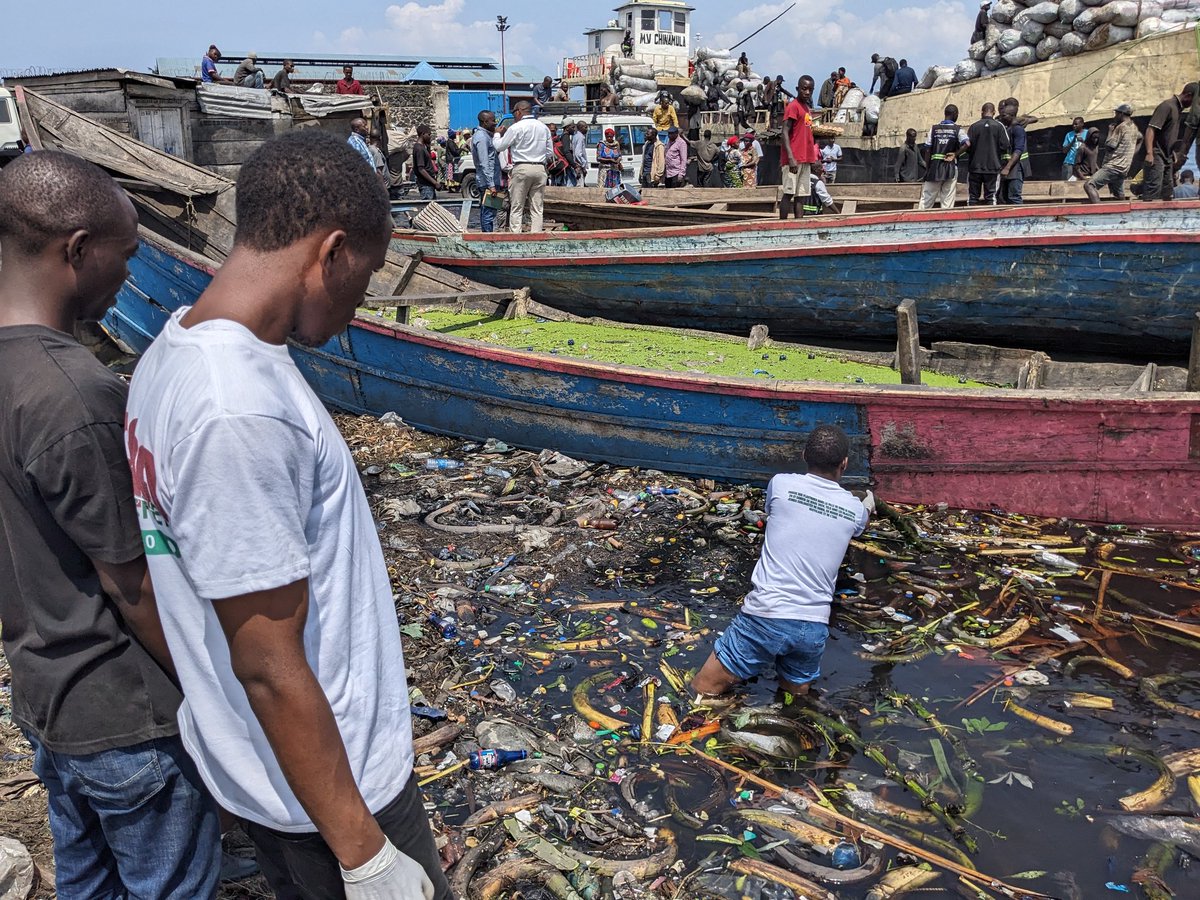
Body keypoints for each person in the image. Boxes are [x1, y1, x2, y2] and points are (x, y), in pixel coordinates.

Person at [124, 130, 450, 900]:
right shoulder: (238, 409)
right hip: (331, 797)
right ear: (332, 252)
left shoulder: (172, 351)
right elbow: (268, 662)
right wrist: (366, 855)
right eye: (365, 279)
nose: (360, 302)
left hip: (277, 776)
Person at [0, 150, 223, 900]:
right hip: (126, 712)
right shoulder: (73, 392)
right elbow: (131, 582)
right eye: (124, 257)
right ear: (76, 250)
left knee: (88, 884)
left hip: (44, 695)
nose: (128, 277)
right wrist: (222, 696)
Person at [690, 425, 871, 704]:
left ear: (803, 456)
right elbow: (858, 525)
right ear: (844, 463)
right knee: (793, 701)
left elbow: (776, 513)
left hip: (766, 616)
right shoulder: (855, 509)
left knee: (703, 689)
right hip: (812, 627)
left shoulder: (781, 483)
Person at [493, 100, 552, 232]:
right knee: (537, 208)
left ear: (519, 111)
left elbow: (499, 146)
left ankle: (516, 237)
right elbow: (549, 153)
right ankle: (536, 236)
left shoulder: (516, 127)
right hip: (540, 168)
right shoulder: (543, 127)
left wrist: (497, 133)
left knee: (517, 206)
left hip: (521, 168)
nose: (514, 116)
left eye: (514, 113)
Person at [1143, 82, 1197, 201]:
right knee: (1154, 187)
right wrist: (1149, 153)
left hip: (1167, 156)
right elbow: (1151, 129)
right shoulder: (1167, 106)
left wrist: (1172, 153)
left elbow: (1167, 134)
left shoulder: (1178, 109)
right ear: (1188, 95)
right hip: (1157, 154)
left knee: (1168, 190)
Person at [780, 76, 819, 219]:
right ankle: (781, 226)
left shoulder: (807, 108)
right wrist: (790, 157)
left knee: (801, 195)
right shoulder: (793, 106)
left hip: (805, 158)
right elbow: (784, 131)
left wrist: (812, 158)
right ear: (797, 89)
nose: (807, 92)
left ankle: (798, 225)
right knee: (789, 192)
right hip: (794, 158)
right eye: (804, 89)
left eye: (810, 89)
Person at [1085, 104, 1141, 203]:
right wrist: (1130, 154)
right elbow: (1140, 138)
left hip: (1113, 166)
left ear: (1122, 114)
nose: (1114, 116)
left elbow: (1109, 146)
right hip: (1123, 168)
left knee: (1089, 185)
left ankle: (1098, 211)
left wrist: (1110, 132)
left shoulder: (1120, 127)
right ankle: (1123, 214)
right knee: (1118, 194)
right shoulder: (1134, 127)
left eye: (1116, 113)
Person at [919, 104, 968, 209]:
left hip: (934, 167)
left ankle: (918, 220)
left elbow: (927, 149)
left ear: (945, 114)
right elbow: (967, 144)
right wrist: (955, 154)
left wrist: (928, 167)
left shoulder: (934, 129)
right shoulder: (958, 130)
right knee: (947, 200)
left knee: (927, 199)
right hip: (950, 167)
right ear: (955, 114)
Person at [966, 102, 1009, 205]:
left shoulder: (974, 127)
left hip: (975, 168)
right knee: (991, 197)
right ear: (994, 112)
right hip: (993, 168)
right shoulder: (999, 126)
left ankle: (971, 217)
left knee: (972, 197)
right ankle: (990, 219)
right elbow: (1005, 145)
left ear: (982, 112)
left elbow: (967, 146)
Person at [471, 111, 504, 232]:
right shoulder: (481, 137)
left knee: (491, 212)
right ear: (485, 122)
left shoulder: (487, 136)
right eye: (492, 120)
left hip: (492, 181)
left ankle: (488, 235)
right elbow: (484, 162)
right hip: (487, 183)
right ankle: (487, 238)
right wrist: (491, 185)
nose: (494, 123)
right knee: (488, 213)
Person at [998, 103, 1030, 204]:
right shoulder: (1007, 128)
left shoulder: (1017, 129)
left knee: (1014, 197)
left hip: (1015, 169)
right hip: (1006, 168)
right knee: (1003, 198)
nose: (1001, 117)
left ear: (1012, 116)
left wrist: (1007, 168)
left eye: (1004, 115)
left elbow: (1018, 150)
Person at [412, 124, 438, 200]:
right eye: (429, 135)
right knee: (428, 209)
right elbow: (421, 169)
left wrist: (429, 147)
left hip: (429, 185)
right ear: (423, 134)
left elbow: (428, 160)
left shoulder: (423, 148)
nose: (430, 137)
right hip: (425, 185)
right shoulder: (419, 149)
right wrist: (435, 183)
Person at [1061, 117, 1086, 181]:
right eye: (1073, 124)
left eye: (1076, 124)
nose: (1074, 126)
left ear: (1082, 124)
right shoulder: (1069, 135)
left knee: (1083, 182)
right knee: (1068, 183)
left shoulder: (1088, 133)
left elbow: (1092, 148)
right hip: (1070, 163)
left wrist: (1083, 141)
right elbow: (1064, 151)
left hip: (1082, 163)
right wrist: (1073, 141)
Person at [572, 120, 589, 186]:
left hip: (576, 166)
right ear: (581, 127)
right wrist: (583, 164)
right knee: (580, 186)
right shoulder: (580, 137)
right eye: (585, 127)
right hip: (579, 166)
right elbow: (578, 153)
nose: (587, 129)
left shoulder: (575, 136)